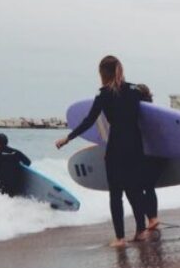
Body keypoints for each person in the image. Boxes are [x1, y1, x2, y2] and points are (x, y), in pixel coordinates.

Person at [55, 56, 149, 248]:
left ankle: (120, 238)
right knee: (134, 190)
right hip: (136, 145)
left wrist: (68, 138)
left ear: (102, 73)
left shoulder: (104, 95)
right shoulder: (134, 91)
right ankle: (141, 230)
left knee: (116, 193)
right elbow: (151, 111)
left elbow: (90, 120)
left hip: (117, 145)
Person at [136, 83, 162, 231]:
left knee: (139, 187)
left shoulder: (138, 111)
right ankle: (152, 218)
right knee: (147, 186)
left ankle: (152, 218)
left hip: (149, 154)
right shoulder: (157, 112)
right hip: (161, 153)